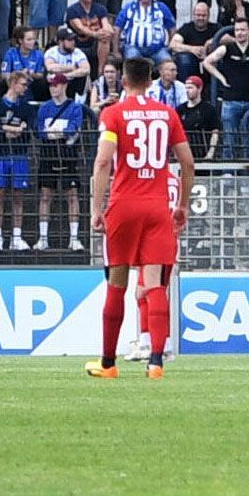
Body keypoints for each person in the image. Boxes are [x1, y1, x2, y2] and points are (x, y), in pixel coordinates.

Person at [85, 55, 193, 378]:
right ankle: (156, 362)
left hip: (124, 206)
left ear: (123, 81)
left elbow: (104, 162)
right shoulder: (167, 113)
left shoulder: (113, 113)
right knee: (155, 283)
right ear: (151, 80)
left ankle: (108, 364)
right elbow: (187, 163)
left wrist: (96, 207)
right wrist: (182, 205)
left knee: (116, 285)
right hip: (158, 207)